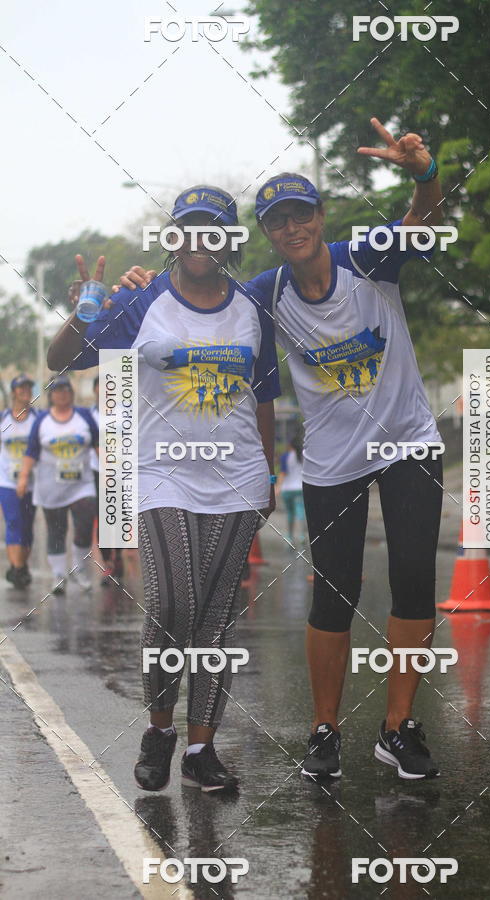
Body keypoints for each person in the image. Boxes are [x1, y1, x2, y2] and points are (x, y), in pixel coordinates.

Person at [118, 120, 445, 782]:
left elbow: (424, 222)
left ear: (321, 218)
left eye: (302, 216)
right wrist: (151, 274)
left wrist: (422, 173)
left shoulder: (367, 258)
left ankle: (396, 729)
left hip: (407, 442)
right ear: (267, 232)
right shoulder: (265, 292)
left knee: (413, 580)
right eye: (278, 221)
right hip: (331, 459)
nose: (292, 229)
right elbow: (200, 291)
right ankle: (324, 730)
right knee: (335, 593)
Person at [46, 186, 279, 793]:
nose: (199, 241)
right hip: (160, 474)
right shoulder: (141, 299)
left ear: (229, 239)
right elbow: (59, 359)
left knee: (215, 619)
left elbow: (266, 399)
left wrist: (270, 473)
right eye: (187, 229)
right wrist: (88, 309)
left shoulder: (253, 306)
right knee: (174, 604)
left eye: (212, 230)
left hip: (237, 479)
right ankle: (160, 730)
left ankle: (202, 747)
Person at [16, 375, 98, 595]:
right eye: (57, 390)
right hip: (50, 485)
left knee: (84, 525)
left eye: (65, 390)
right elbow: (31, 452)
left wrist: (112, 468)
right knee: (56, 530)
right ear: (51, 395)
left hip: (82, 484)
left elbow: (98, 444)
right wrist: (23, 477)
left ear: (71, 393)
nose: (62, 394)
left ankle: (79, 569)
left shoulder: (84, 416)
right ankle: (59, 575)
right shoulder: (42, 420)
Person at [0, 374, 38, 588]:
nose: (26, 392)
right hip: (6, 482)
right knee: (13, 523)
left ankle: (22, 566)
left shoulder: (38, 418)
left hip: (33, 482)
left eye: (29, 388)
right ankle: (16, 569)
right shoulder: (3, 418)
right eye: (21, 388)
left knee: (27, 527)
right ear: (14, 392)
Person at [90, 374, 124, 585]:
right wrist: (107, 467)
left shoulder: (126, 411)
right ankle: (107, 562)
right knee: (104, 516)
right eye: (100, 387)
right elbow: (94, 442)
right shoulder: (91, 415)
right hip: (100, 472)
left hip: (124, 470)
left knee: (119, 516)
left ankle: (118, 556)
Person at [277, 432, 305, 545]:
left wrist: (277, 487)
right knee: (300, 511)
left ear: (290, 445)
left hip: (287, 489)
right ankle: (302, 535)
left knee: (290, 513)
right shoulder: (303, 456)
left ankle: (289, 536)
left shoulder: (285, 457)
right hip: (300, 488)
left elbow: (283, 473)